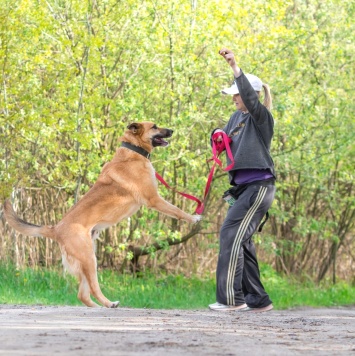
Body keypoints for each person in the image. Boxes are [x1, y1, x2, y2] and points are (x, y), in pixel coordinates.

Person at [208, 48, 276, 312]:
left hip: (259, 187)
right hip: (243, 188)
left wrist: (234, 65)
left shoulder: (262, 118)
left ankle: (231, 299)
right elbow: (223, 140)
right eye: (233, 94)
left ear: (252, 95)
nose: (234, 98)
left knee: (231, 233)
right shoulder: (235, 117)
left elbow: (248, 95)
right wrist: (215, 136)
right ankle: (258, 300)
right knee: (242, 240)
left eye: (237, 93)